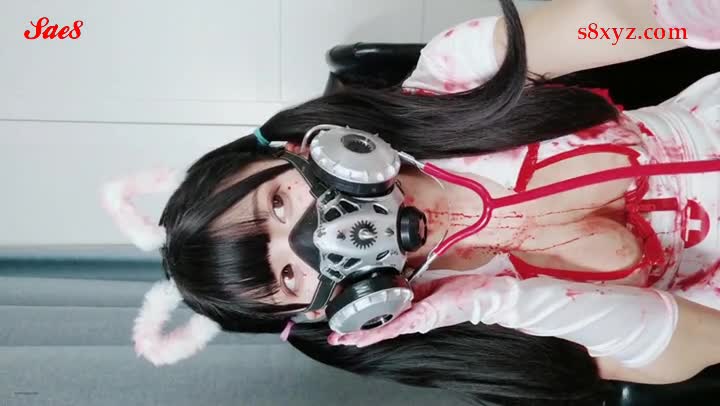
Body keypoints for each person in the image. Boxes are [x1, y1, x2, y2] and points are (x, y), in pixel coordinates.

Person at [103, 0, 720, 405]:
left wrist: (691, 15)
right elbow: (702, 343)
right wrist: (493, 303)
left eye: (279, 204)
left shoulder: (448, 77)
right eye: (289, 275)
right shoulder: (479, 339)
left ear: (292, 151)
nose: (318, 238)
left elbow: (623, 18)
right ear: (320, 314)